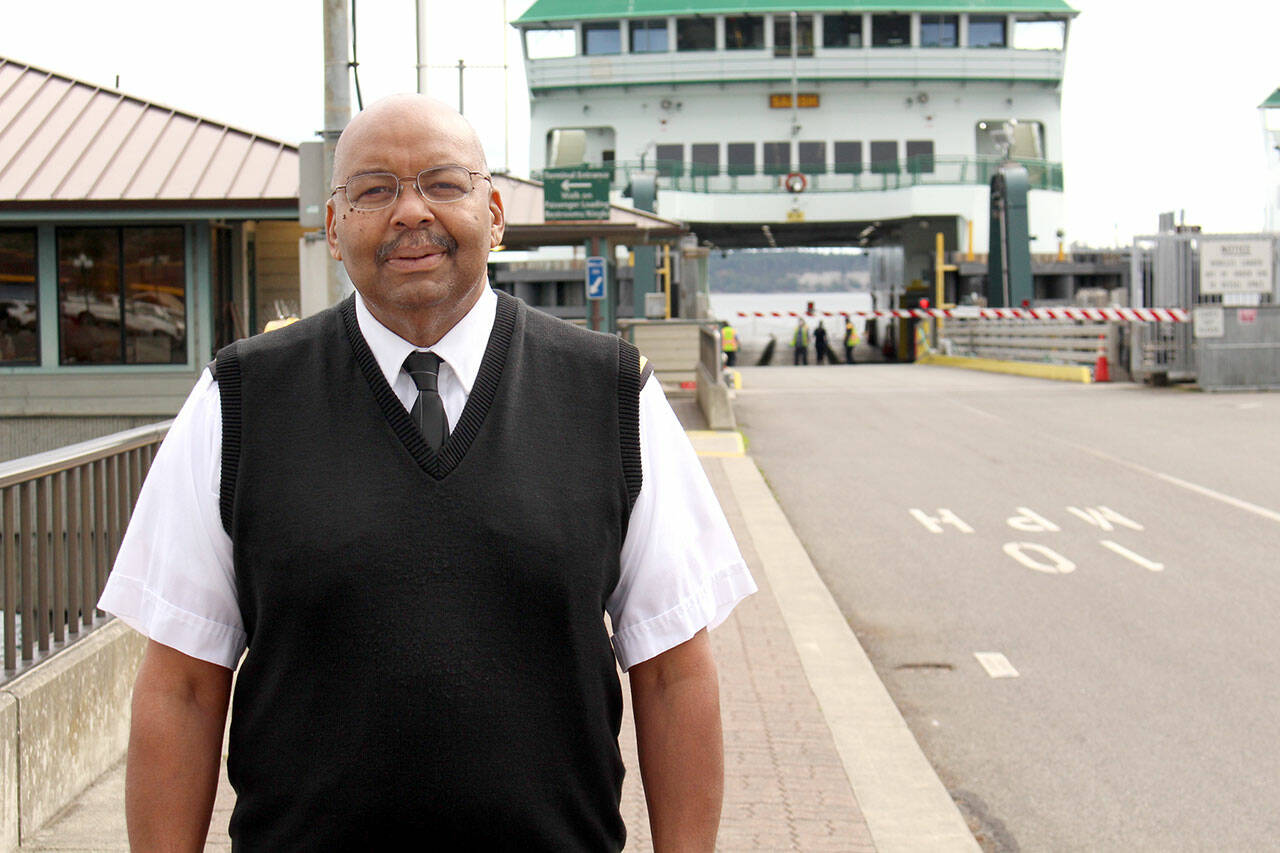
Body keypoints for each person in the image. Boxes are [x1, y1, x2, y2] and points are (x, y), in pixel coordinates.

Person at [100, 95, 755, 851]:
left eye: (444, 182)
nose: (411, 211)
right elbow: (180, 686)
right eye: (374, 190)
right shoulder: (239, 400)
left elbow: (675, 673)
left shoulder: (611, 395)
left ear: (496, 213)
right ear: (335, 228)